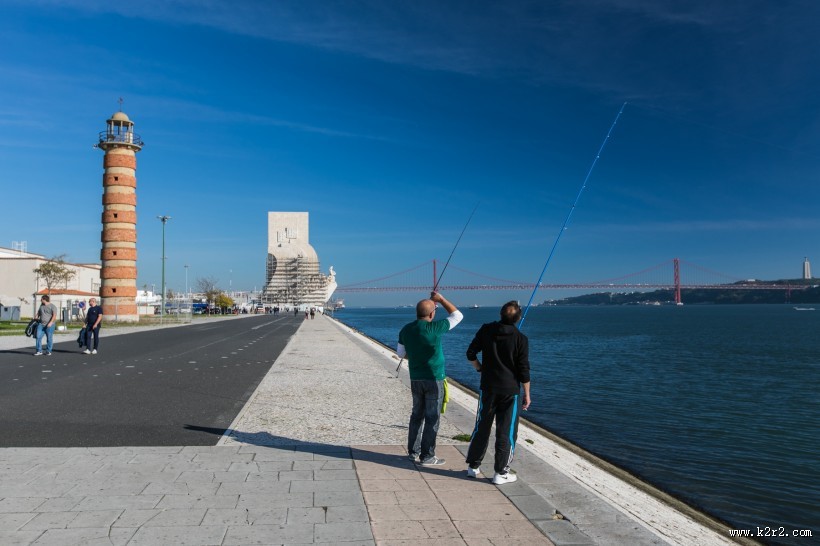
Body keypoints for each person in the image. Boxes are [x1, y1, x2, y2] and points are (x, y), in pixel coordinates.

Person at [464, 300, 531, 485]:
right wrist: (527, 394)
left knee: (482, 426)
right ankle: (500, 472)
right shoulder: (521, 338)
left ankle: (473, 466)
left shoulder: (486, 329)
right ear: (518, 318)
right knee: (506, 432)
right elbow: (524, 371)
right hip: (510, 391)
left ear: (500, 314)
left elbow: (470, 353)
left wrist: (480, 368)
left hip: (488, 388)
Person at [397, 291, 462, 466]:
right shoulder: (435, 327)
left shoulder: (406, 329)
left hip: (415, 379)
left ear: (416, 313)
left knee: (416, 415)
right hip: (434, 379)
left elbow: (400, 353)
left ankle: (413, 452)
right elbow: (457, 315)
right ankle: (427, 456)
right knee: (432, 418)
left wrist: (416, 356)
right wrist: (440, 299)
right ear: (432, 314)